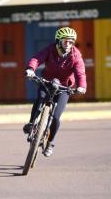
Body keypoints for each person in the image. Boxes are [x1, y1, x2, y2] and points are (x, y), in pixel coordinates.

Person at [23, 27, 87, 157]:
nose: (68, 44)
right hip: (47, 82)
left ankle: (51, 142)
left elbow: (80, 73)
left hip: (64, 87)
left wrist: (81, 86)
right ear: (58, 41)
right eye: (65, 42)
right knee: (40, 99)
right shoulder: (50, 49)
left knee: (56, 117)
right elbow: (37, 58)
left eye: (71, 42)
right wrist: (30, 69)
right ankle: (31, 123)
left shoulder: (76, 55)